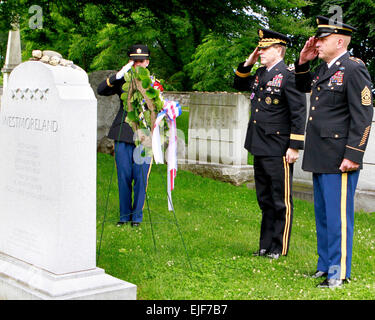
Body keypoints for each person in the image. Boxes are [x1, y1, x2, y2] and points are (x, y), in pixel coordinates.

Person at [294, 16, 373, 288]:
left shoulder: (353, 69)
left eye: (322, 39)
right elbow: (301, 87)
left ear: (339, 41)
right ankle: (324, 266)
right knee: (324, 215)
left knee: (338, 218)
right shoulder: (324, 68)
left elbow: (363, 116)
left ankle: (338, 273)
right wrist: (303, 62)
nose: (317, 43)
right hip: (321, 155)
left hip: (340, 158)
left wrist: (353, 154)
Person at [234, 29, 307, 259]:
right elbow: (238, 84)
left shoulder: (289, 75)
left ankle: (279, 247)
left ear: (278, 50)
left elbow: (298, 112)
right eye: (260, 48)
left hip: (278, 147)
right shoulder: (259, 74)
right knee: (265, 199)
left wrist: (294, 146)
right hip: (259, 144)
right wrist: (248, 62)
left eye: (265, 48)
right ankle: (265, 246)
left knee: (280, 200)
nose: (261, 52)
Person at [97, 44, 153, 227]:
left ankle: (136, 217)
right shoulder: (122, 80)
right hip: (123, 131)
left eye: (141, 61)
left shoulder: (153, 82)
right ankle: (124, 215)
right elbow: (101, 90)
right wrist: (118, 75)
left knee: (140, 175)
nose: (138, 64)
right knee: (124, 176)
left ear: (147, 62)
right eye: (134, 61)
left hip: (144, 134)